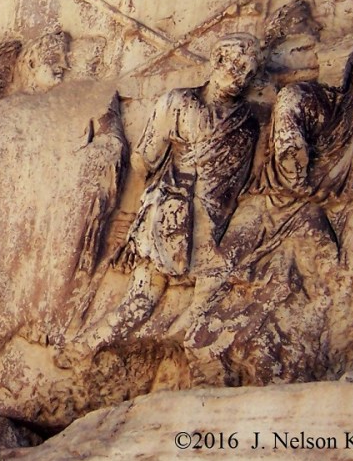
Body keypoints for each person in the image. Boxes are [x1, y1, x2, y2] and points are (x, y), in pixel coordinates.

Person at [64, 33, 263, 358]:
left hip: (213, 224)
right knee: (141, 300)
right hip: (169, 215)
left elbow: (242, 182)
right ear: (218, 61)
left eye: (249, 73)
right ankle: (82, 349)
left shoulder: (248, 124)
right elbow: (143, 163)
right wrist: (129, 216)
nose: (241, 78)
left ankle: (172, 347)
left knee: (211, 295)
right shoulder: (178, 103)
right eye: (237, 66)